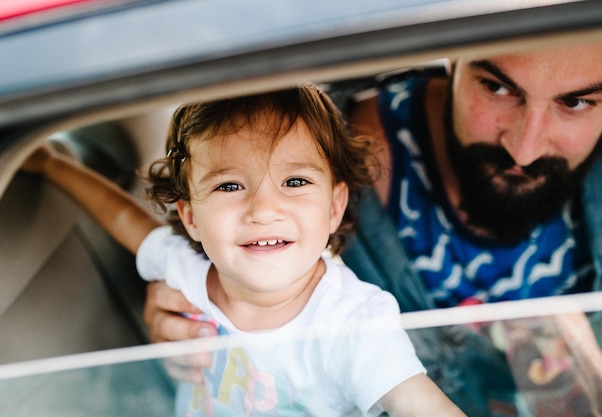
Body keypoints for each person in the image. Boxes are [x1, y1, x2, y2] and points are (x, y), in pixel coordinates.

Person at [145, 40, 602, 416]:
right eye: (496, 87)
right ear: (451, 57)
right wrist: (196, 295)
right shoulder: (316, 157)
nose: (525, 147)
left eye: (578, 102)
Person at [22, 83, 466, 417]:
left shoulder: (352, 323)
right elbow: (123, 217)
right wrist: (50, 162)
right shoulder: (185, 266)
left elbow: (422, 405)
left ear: (334, 207)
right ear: (191, 216)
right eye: (230, 185)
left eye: (295, 182)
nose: (264, 209)